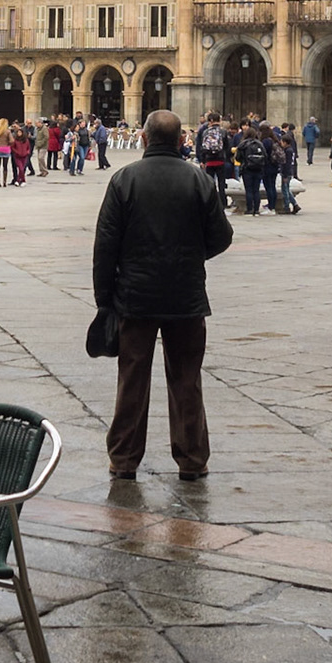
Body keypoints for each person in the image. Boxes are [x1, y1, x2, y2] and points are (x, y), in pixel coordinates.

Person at [96, 110, 233, 481]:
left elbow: (105, 246)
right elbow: (222, 236)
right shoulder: (199, 180)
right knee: (186, 378)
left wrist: (104, 300)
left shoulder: (124, 179)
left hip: (135, 297)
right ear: (181, 141)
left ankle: (123, 459)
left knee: (132, 379)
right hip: (186, 297)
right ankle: (192, 460)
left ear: (143, 139)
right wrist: (189, 256)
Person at [196, 113, 230, 206]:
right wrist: (225, 158)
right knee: (221, 183)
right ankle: (223, 203)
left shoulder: (205, 132)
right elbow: (227, 147)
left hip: (209, 161)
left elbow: (202, 148)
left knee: (210, 183)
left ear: (210, 121)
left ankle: (211, 202)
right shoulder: (223, 132)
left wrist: (202, 160)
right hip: (220, 160)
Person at [235, 120, 267, 214]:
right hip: (258, 169)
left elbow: (238, 157)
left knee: (248, 190)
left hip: (247, 169)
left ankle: (249, 209)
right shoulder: (260, 144)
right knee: (256, 190)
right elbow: (265, 156)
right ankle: (256, 209)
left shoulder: (243, 144)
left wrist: (243, 162)